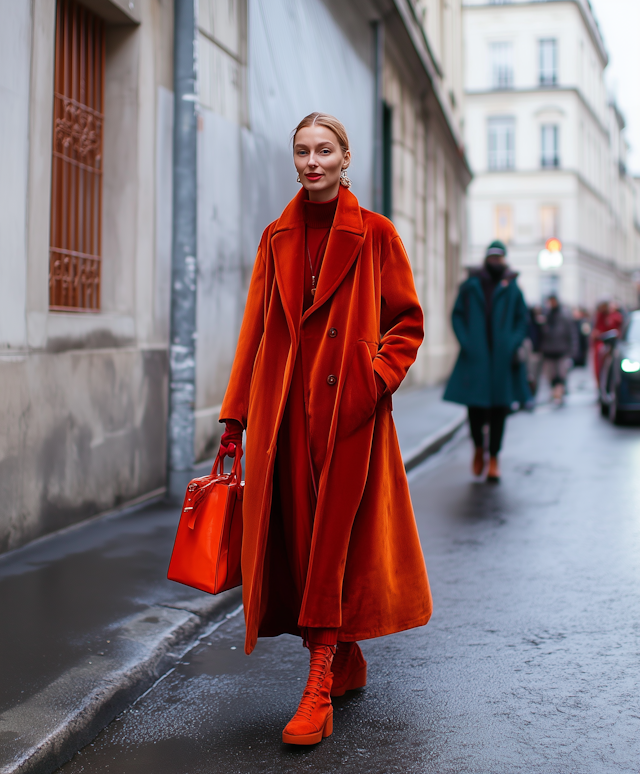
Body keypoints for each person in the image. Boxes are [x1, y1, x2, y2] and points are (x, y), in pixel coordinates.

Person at [218, 113, 432, 746]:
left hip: (348, 416)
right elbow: (254, 329)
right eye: (303, 152)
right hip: (286, 413)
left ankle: (317, 690)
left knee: (334, 541)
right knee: (301, 541)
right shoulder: (276, 237)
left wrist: (373, 378)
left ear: (345, 158)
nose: (313, 162)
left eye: (325, 151)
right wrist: (235, 417)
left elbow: (408, 322)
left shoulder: (375, 234)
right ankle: (345, 656)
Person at [443, 240, 529, 482]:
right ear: (486, 259)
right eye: (492, 257)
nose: (495, 261)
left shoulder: (512, 288)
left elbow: (522, 320)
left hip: (502, 361)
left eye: (499, 257)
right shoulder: (471, 286)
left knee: (500, 410)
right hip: (476, 358)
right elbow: (456, 315)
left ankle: (494, 459)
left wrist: (512, 342)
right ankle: (478, 449)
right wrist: (466, 341)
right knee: (475, 409)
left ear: (504, 260)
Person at [539, 294, 574, 405]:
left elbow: (571, 334)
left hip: (561, 350)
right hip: (548, 351)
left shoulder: (564, 315)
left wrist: (572, 351)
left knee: (560, 375)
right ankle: (555, 393)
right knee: (551, 375)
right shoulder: (546, 315)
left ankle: (558, 394)